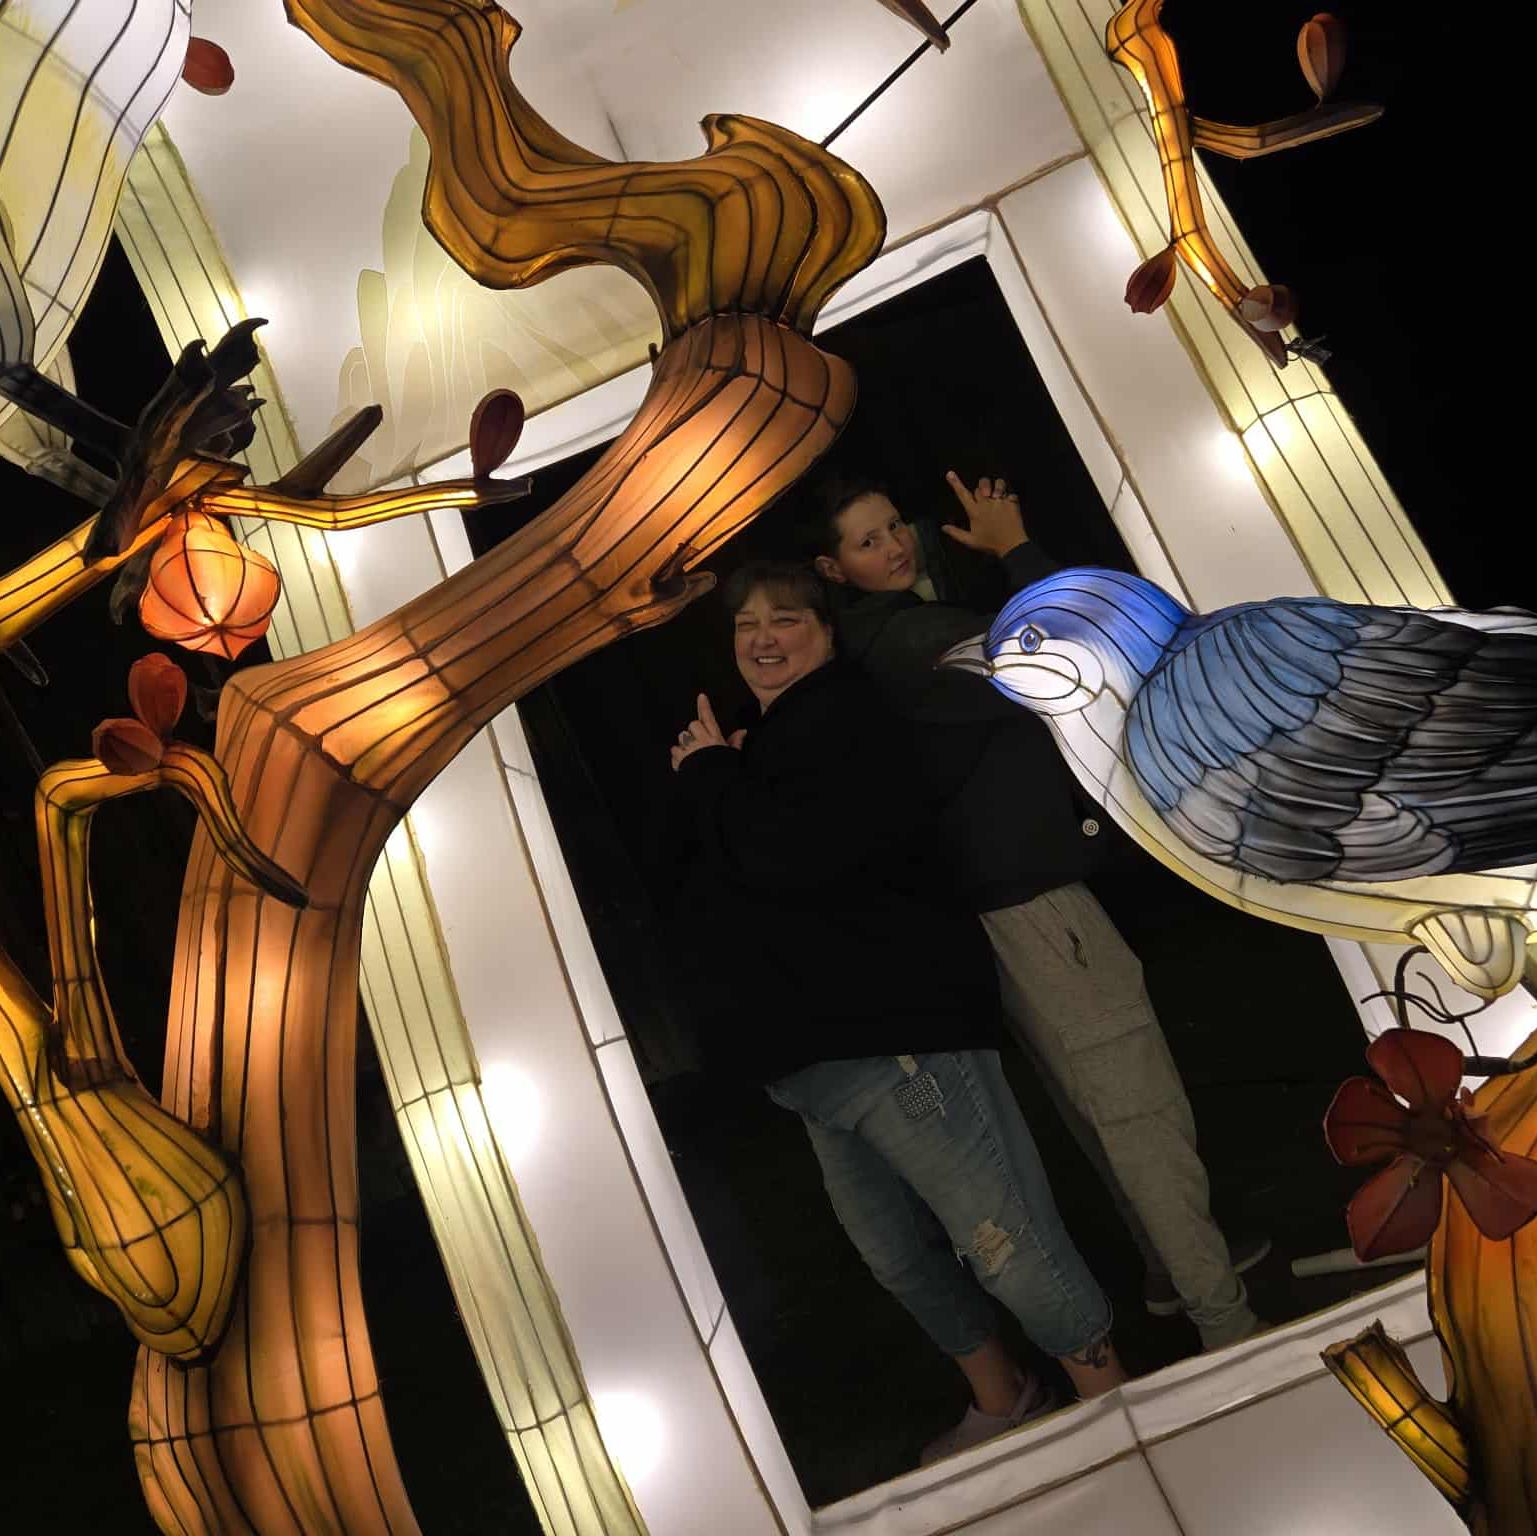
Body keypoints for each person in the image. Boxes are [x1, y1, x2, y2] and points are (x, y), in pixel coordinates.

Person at [669, 560, 1126, 1463]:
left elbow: (790, 858)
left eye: (785, 619)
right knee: (895, 1255)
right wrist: (727, 772)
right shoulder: (773, 740)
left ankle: (1114, 1406)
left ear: (825, 631)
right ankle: (1005, 1397)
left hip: (894, 1036)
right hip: (817, 1059)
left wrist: (714, 775)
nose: (762, 638)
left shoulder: (846, 718)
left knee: (1003, 1238)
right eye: (746, 625)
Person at [807, 471, 1266, 1351]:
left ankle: (1175, 1273)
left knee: (1104, 1109)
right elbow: (1071, 645)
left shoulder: (893, 638)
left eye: (894, 524)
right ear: (832, 569)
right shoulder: (906, 642)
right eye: (867, 541)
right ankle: (1229, 1325)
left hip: (1010, 911)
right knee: (1136, 1111)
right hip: (1034, 913)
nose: (895, 545)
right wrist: (1014, 546)